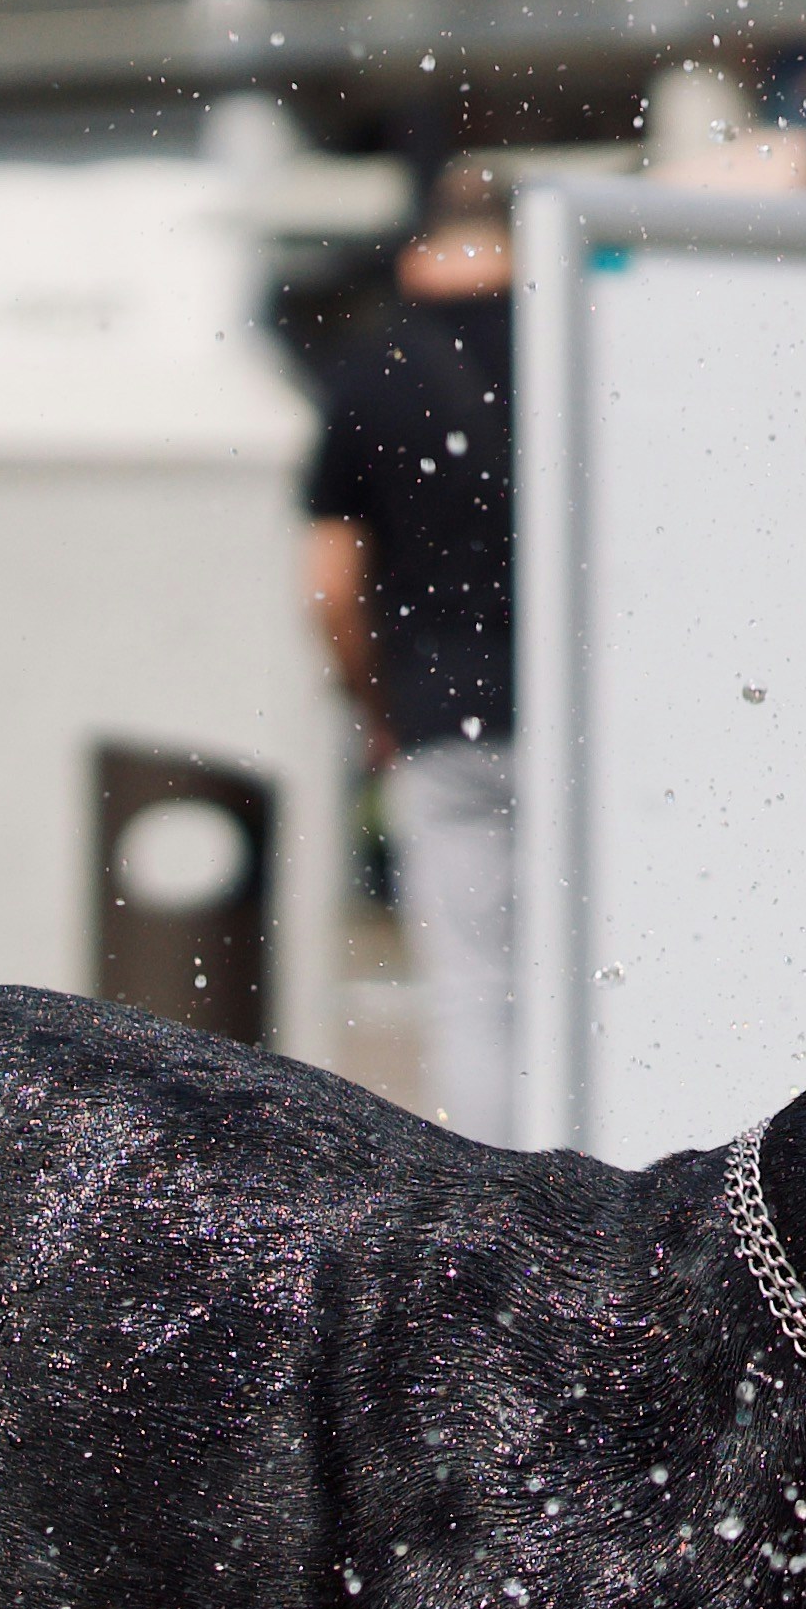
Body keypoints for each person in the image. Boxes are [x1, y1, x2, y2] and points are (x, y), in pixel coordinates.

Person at [304, 161, 522, 1132]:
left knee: (476, 994)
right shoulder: (586, 342)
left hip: (440, 717)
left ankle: (511, 1231)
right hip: (594, 720)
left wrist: (374, 708)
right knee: (601, 981)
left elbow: (328, 582)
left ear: (419, 242)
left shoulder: (370, 366)